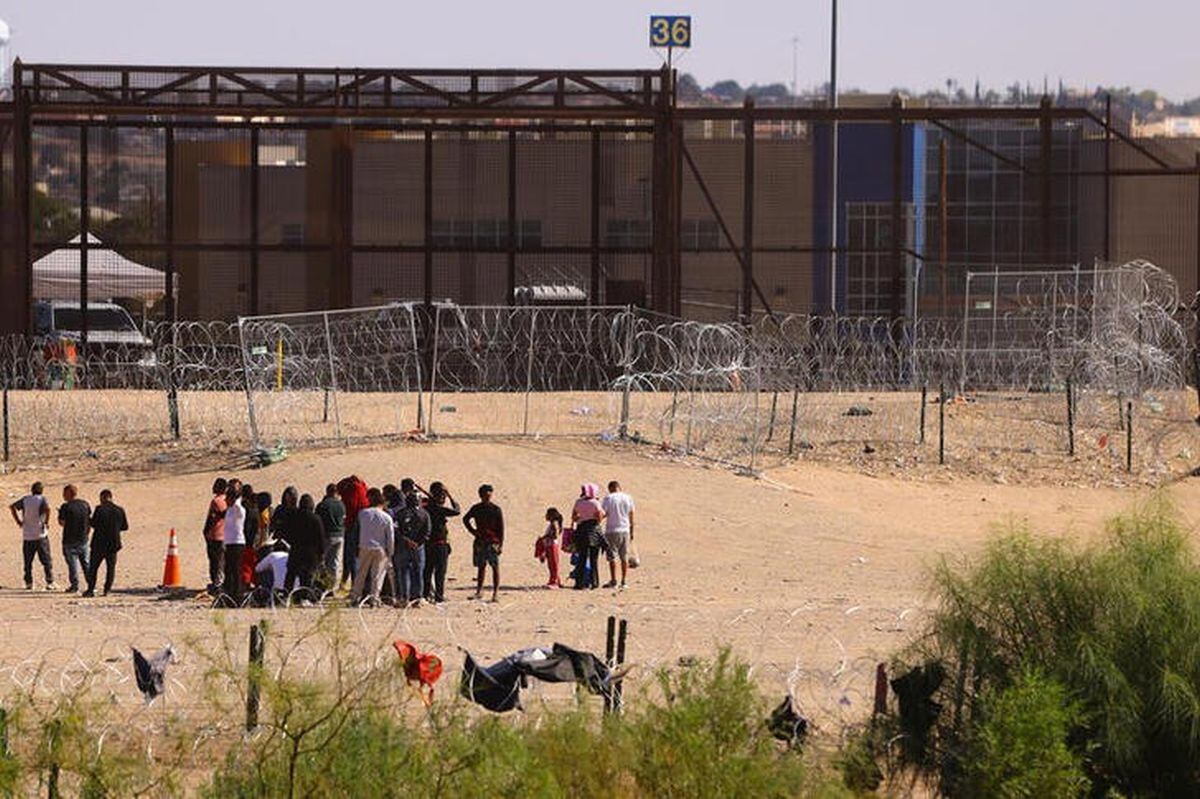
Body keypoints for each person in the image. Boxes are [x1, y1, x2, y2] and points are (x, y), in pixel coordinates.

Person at [349, 488, 394, 606]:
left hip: (364, 546)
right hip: (380, 549)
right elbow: (390, 537)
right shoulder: (386, 517)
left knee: (361, 574)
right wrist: (390, 552)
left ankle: (355, 597)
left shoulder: (362, 513)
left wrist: (356, 548)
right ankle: (374, 599)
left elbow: (356, 532)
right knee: (377, 576)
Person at [10, 482, 55, 590]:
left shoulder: (26, 499)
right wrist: (47, 522)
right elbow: (48, 509)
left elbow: (12, 507)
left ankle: (29, 583)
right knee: (46, 560)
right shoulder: (42, 499)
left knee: (28, 561)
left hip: (27, 535)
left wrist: (19, 521)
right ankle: (50, 582)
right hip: (40, 534)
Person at [463, 484, 504, 602]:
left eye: (489, 494)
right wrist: (473, 531)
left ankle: (495, 592)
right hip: (481, 541)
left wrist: (500, 544)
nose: (488, 497)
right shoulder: (476, 508)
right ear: (480, 495)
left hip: (492, 542)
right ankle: (479, 591)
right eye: (485, 495)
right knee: (481, 567)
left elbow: (501, 529)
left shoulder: (496, 509)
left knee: (495, 567)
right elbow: (465, 519)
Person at [83, 489, 128, 597]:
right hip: (113, 543)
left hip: (99, 543)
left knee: (93, 568)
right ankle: (107, 590)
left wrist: (88, 519)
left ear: (103, 497)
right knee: (110, 568)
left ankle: (91, 589)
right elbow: (125, 526)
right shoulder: (119, 510)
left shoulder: (99, 509)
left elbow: (94, 523)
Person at [421, 481, 459, 603]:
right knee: (439, 573)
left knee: (427, 571)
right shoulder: (438, 509)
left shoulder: (426, 507)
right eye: (442, 494)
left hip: (428, 545)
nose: (443, 497)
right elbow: (457, 510)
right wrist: (450, 495)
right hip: (439, 545)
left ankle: (426, 595)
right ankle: (438, 596)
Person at [394, 480, 431, 606]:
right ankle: (417, 598)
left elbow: (396, 529)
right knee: (418, 572)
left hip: (403, 546)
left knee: (403, 572)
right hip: (418, 548)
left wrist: (406, 540)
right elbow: (427, 531)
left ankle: (405, 598)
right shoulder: (424, 514)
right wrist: (418, 543)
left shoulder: (400, 514)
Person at [284, 494, 328, 592]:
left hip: (296, 549)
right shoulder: (316, 518)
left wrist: (292, 543)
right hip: (311, 552)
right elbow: (320, 537)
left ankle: (286, 594)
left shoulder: (294, 516)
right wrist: (321, 553)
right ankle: (304, 596)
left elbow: (287, 532)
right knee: (307, 576)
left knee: (291, 574)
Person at [601, 480, 637, 590]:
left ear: (610, 488)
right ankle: (624, 581)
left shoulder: (608, 498)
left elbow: (603, 513)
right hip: (624, 529)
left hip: (612, 530)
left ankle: (614, 580)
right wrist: (631, 531)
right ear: (619, 487)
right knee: (624, 557)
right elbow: (631, 515)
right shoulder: (628, 497)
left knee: (612, 557)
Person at [570, 483, 606, 590]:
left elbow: (574, 517)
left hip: (581, 531)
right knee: (594, 560)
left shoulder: (578, 502)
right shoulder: (595, 503)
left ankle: (579, 583)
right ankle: (594, 582)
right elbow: (600, 517)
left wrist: (582, 518)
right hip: (594, 531)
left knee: (582, 559)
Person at [57, 484, 91, 593]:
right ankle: (91, 584)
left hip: (70, 540)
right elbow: (89, 520)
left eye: (64, 493)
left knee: (73, 565)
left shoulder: (65, 507)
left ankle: (74, 585)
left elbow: (62, 523)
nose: (63, 496)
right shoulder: (85, 504)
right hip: (83, 538)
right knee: (86, 563)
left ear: (68, 494)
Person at [337, 475, 370, 590]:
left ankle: (352, 585)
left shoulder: (348, 494)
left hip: (351, 527)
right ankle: (352, 584)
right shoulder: (363, 489)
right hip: (365, 527)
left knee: (350, 557)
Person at [222, 483, 247, 604]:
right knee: (229, 570)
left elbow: (238, 498)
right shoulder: (229, 510)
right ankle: (229, 596)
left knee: (236, 571)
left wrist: (235, 491)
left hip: (237, 543)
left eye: (227, 498)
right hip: (229, 543)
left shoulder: (239, 509)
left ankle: (238, 598)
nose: (225, 500)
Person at [202, 478, 228, 593]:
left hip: (215, 535)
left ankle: (216, 584)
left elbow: (211, 519)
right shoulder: (229, 501)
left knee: (215, 561)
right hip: (226, 535)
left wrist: (205, 531)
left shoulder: (216, 501)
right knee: (222, 561)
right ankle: (221, 582)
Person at [315, 483, 346, 578]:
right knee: (334, 562)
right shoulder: (341, 505)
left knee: (321, 561)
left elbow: (317, 521)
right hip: (340, 535)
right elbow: (344, 519)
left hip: (327, 536)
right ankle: (332, 584)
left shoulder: (322, 505)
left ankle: (321, 583)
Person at [539, 508, 564, 589]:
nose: (546, 516)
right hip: (550, 545)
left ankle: (554, 582)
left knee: (553, 564)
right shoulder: (552, 524)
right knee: (552, 564)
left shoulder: (554, 524)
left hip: (552, 545)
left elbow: (555, 535)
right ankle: (556, 581)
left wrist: (544, 537)